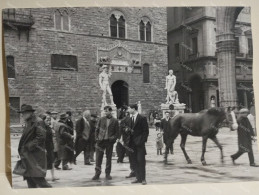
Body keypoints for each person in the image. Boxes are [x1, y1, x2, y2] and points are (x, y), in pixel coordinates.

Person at [16, 104, 52, 188]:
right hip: (27, 157)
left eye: (24, 113)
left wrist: (28, 147)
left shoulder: (38, 121)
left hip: (35, 157)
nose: (22, 115)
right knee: (30, 180)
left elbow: (41, 137)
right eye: (21, 113)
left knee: (40, 181)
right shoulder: (28, 122)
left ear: (30, 113)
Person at [92, 106, 119, 180]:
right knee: (98, 158)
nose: (105, 112)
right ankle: (97, 174)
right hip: (100, 141)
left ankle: (107, 174)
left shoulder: (115, 121)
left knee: (109, 158)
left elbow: (117, 133)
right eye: (104, 111)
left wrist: (113, 139)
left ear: (110, 111)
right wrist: (97, 138)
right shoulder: (101, 119)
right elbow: (96, 129)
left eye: (106, 111)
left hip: (109, 142)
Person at [127, 104, 149, 185]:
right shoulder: (130, 119)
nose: (128, 110)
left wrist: (142, 141)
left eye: (129, 108)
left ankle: (143, 179)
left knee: (141, 161)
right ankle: (138, 178)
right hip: (131, 144)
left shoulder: (142, 118)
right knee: (134, 161)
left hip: (139, 144)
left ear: (133, 109)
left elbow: (145, 131)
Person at [39, 113, 59, 181]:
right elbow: (41, 139)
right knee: (44, 162)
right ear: (43, 120)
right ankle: (42, 177)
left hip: (50, 147)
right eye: (47, 120)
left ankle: (53, 176)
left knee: (52, 161)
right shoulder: (41, 128)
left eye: (49, 120)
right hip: (44, 148)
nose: (49, 121)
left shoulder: (48, 127)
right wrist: (43, 148)